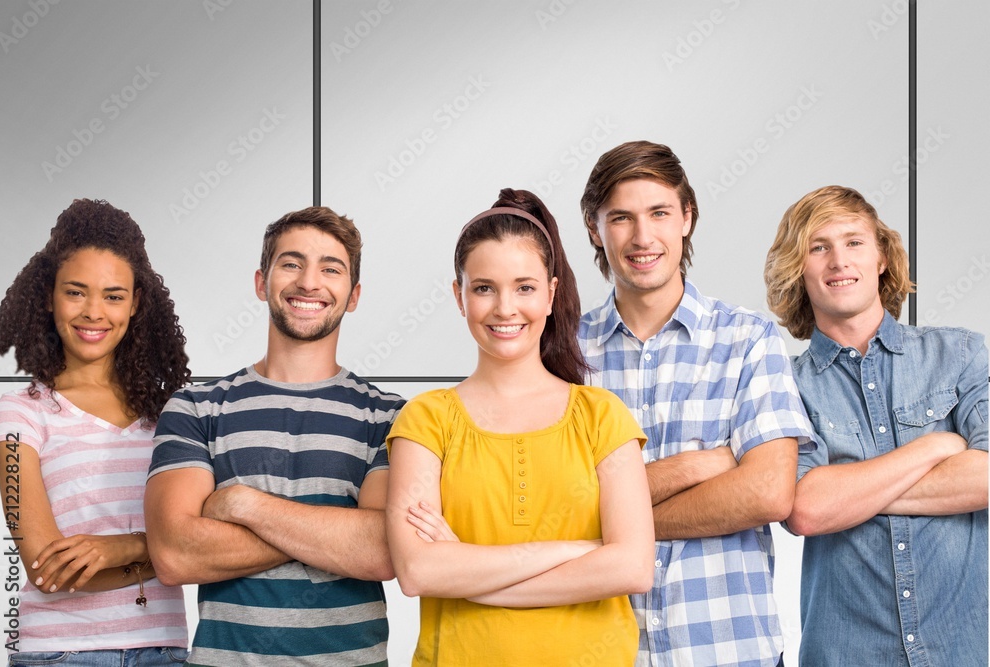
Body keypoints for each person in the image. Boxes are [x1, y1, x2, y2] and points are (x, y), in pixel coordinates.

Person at [386, 188, 654, 666]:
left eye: (524, 287)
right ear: (459, 296)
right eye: (484, 287)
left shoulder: (601, 415)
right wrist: (578, 550)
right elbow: (419, 570)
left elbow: (632, 566)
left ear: (550, 295)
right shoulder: (425, 420)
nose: (505, 308)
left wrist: (470, 570)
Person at [577, 141, 815, 667]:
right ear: (595, 229)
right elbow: (552, 505)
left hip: (729, 650)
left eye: (659, 213)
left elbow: (769, 493)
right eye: (621, 217)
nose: (643, 237)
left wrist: (614, 520)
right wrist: (699, 466)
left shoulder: (748, 339)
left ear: (686, 217)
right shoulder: (562, 353)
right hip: (604, 653)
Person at [144, 206, 405, 666]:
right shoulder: (196, 408)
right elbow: (173, 554)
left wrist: (245, 506)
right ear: (261, 282)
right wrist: (337, 533)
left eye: (331, 268)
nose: (309, 282)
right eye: (291, 263)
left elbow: (385, 551)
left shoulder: (388, 416)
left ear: (354, 294)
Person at [764, 185, 988, 666]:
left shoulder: (961, 354)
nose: (838, 261)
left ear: (882, 257)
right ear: (797, 269)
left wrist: (848, 495)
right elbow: (803, 510)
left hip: (965, 649)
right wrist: (936, 448)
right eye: (817, 247)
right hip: (847, 654)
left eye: (854, 242)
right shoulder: (783, 384)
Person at [0, 199, 191, 666]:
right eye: (76, 292)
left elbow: (206, 538)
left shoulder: (173, 415)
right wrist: (162, 551)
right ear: (48, 295)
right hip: (60, 654)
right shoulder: (17, 417)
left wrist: (123, 547)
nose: (93, 313)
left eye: (113, 295)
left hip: (164, 651)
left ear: (136, 302)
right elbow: (47, 572)